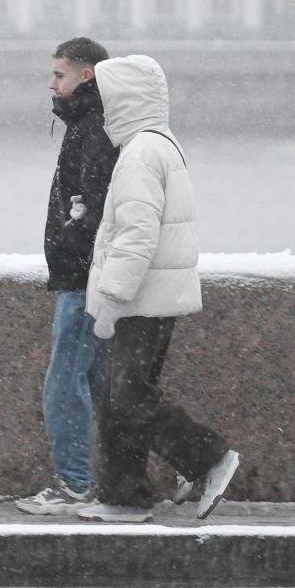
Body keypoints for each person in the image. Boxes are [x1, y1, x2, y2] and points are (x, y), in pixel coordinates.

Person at [77, 54, 240, 524]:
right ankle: (123, 496)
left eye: (107, 101)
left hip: (140, 298)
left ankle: (208, 458)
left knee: (126, 397)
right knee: (117, 397)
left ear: (125, 101)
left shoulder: (141, 153)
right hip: (152, 295)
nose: (103, 111)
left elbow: (136, 235)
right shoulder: (158, 144)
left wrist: (110, 298)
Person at [15, 38, 118, 515]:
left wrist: (71, 246)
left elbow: (93, 208)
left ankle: (75, 483)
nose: (52, 83)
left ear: (87, 75)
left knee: (65, 383)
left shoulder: (93, 129)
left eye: (60, 74)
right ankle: (195, 460)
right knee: (107, 386)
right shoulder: (93, 124)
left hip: (83, 278)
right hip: (90, 274)